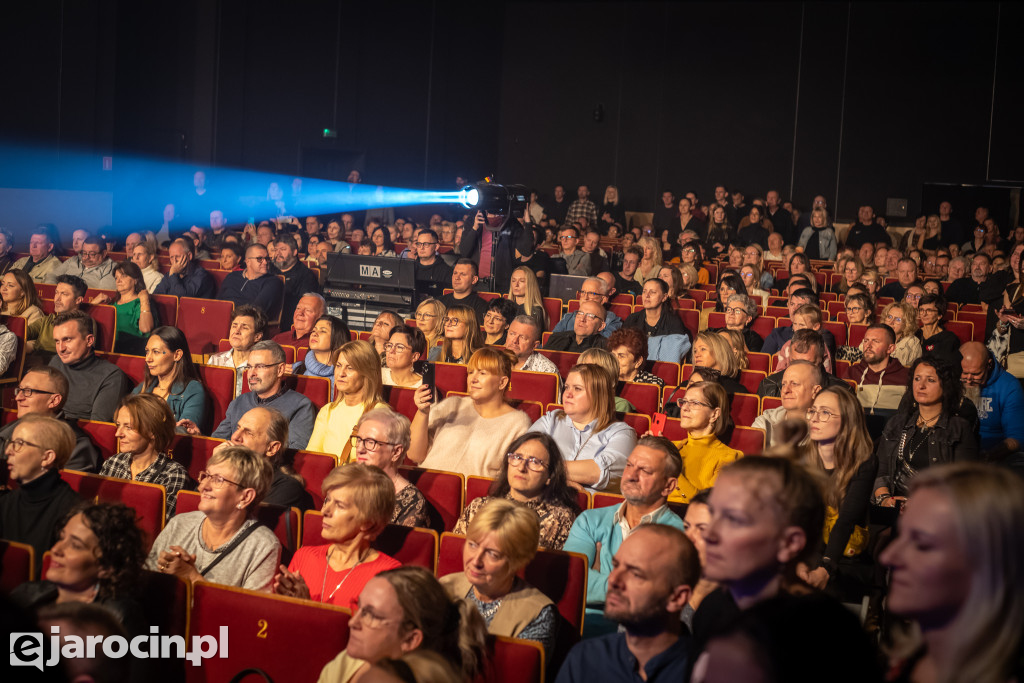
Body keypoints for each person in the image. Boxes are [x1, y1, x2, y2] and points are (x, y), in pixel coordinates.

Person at [880, 463, 1024, 683]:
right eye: (901, 536)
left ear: (988, 563)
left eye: (922, 544)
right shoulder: (905, 662)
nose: (888, 557)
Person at [691, 456, 825, 651]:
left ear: (789, 542)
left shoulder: (822, 633)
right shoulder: (712, 607)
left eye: (733, 519)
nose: (709, 533)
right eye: (713, 514)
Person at [563, 437, 686, 636]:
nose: (631, 475)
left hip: (641, 640)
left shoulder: (678, 536)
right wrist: (636, 585)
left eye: (644, 470)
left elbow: (658, 599)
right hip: (580, 635)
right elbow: (570, 581)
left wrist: (596, 578)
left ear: (669, 486)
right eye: (629, 465)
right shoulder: (590, 520)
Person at [315, 566, 488, 683]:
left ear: (411, 639)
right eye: (359, 608)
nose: (353, 622)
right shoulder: (347, 661)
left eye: (371, 615)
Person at [147, 446, 279, 590]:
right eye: (206, 476)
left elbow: (250, 611)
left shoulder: (263, 546)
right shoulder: (179, 523)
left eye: (218, 480)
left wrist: (192, 577)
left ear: (245, 497)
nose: (203, 486)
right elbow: (142, 585)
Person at [442, 499, 558, 658]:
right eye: (473, 545)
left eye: (492, 554)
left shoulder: (536, 614)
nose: (476, 561)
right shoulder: (444, 587)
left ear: (518, 561)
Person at [274, 464, 401, 605]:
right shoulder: (304, 557)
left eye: (340, 505)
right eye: (328, 500)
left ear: (368, 522)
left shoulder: (389, 576)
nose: (324, 511)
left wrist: (307, 607)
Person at [794, 387, 876, 593]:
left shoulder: (864, 462)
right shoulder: (802, 457)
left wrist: (825, 568)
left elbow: (846, 521)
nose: (814, 418)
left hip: (844, 554)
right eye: (813, 411)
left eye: (825, 412)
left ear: (847, 421)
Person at [10, 502, 146, 626]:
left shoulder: (118, 618)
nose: (56, 549)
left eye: (75, 545)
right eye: (61, 538)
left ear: (106, 567)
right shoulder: (26, 594)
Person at [874, 357, 978, 511]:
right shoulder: (897, 423)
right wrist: (884, 500)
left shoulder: (958, 428)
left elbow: (964, 484)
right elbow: (881, 472)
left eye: (930, 380)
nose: (921, 386)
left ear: (946, 386)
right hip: (894, 508)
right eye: (917, 379)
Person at [409, 347, 531, 478]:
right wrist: (423, 412)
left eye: (482, 373)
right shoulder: (452, 405)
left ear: (502, 382)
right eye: (471, 372)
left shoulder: (517, 423)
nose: (473, 379)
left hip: (475, 496)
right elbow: (414, 455)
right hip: (425, 486)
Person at [455, 432, 581, 550]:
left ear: (550, 476)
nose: (521, 467)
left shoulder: (559, 519)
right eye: (517, 457)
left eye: (534, 462)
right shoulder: (478, 507)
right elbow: (453, 555)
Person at [531, 363, 636, 492]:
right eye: (567, 387)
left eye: (577, 388)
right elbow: (521, 457)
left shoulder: (621, 433)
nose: (568, 394)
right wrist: (556, 479)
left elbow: (599, 472)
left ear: (599, 395)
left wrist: (542, 469)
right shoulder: (551, 419)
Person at [206, 341, 316, 449]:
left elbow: (293, 453)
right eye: (249, 367)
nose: (251, 373)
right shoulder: (239, 401)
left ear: (280, 369)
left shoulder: (300, 406)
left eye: (260, 366)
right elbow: (218, 442)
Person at [0, 414, 80, 564]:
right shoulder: (5, 503)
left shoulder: (73, 512)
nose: (8, 451)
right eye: (10, 443)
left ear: (47, 457)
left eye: (19, 443)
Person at [100, 393, 193, 516]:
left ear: (152, 431)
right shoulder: (112, 463)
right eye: (118, 425)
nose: (118, 433)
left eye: (128, 427)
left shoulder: (172, 475)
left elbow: (159, 526)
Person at [220, 406, 314, 511]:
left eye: (249, 433)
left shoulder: (286, 488)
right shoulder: (222, 470)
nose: (235, 437)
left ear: (272, 448)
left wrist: (222, 472)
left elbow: (240, 523)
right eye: (238, 428)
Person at [306, 339, 387, 460]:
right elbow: (312, 459)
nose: (341, 373)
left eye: (350, 368)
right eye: (338, 366)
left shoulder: (379, 413)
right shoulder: (327, 411)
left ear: (367, 373)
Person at [350, 407, 429, 527]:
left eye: (370, 442)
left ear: (396, 452)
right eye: (359, 440)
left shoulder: (411, 503)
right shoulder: (344, 483)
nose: (360, 449)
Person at [49, 310, 131, 421]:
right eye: (57, 341)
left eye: (67, 339)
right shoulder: (56, 362)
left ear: (89, 340)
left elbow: (98, 426)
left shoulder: (111, 376)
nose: (61, 348)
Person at [670, 382, 742, 503]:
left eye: (694, 403)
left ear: (714, 414)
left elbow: (706, 505)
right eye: (684, 401)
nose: (685, 408)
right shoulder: (671, 447)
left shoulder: (729, 457)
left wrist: (673, 470)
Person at [132, 326, 208, 429]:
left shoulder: (192, 390)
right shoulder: (144, 387)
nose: (148, 359)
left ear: (177, 355)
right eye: (147, 351)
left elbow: (184, 430)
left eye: (156, 352)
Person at [89, 261, 157, 356]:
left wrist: (144, 300)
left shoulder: (140, 302)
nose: (118, 281)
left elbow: (146, 328)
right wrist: (94, 303)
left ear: (135, 280)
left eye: (123, 276)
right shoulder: (111, 303)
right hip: (104, 350)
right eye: (116, 278)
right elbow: (83, 323)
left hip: (130, 352)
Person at [753, 361, 822, 446]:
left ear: (815, 391)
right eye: (783, 384)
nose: (785, 390)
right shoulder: (765, 423)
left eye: (794, 384)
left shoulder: (826, 428)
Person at [622, 277, 691, 362]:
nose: (647, 296)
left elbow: (673, 355)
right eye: (644, 291)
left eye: (652, 292)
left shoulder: (673, 322)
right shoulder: (632, 319)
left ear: (664, 297)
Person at [845, 323, 909, 412]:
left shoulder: (906, 376)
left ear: (890, 348)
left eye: (875, 341)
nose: (868, 346)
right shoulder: (852, 372)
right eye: (866, 340)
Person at [206, 304, 267, 396]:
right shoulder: (215, 361)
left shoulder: (261, 368)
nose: (237, 331)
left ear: (257, 336)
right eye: (234, 326)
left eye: (244, 327)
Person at [25, 274, 87, 360]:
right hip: (34, 364)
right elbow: (22, 332)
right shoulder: (46, 320)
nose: (57, 299)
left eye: (64, 294)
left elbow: (80, 356)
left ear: (78, 300)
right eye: (56, 292)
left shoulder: (85, 324)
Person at [218, 243, 284, 321]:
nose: (265, 262)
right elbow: (217, 303)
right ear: (248, 261)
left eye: (267, 258)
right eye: (260, 259)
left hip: (247, 324)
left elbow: (254, 311)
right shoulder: (232, 276)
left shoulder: (273, 282)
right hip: (222, 318)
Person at [271, 234, 320, 333]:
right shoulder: (268, 270)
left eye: (283, 249)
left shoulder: (305, 275)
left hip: (288, 323)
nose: (278, 253)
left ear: (294, 252)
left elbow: (305, 307)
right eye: (276, 250)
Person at [550, 276, 623, 339]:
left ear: (603, 299)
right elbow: (553, 342)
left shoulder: (612, 321)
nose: (585, 297)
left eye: (592, 293)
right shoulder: (568, 317)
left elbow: (603, 347)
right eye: (583, 292)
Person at [47, 235, 116, 289]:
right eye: (84, 253)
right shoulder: (73, 260)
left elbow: (103, 293)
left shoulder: (111, 268)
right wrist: (54, 290)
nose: (86, 257)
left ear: (104, 253)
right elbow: (52, 276)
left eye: (92, 254)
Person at [691, 330, 747, 395]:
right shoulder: (686, 385)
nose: (696, 355)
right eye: (695, 351)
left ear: (719, 352)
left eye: (703, 349)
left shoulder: (736, 391)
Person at [543, 299, 608, 352]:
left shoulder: (606, 348)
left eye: (590, 316)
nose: (582, 319)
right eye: (580, 313)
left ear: (601, 326)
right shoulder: (556, 338)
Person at [412, 228, 452, 300]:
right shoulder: (410, 268)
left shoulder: (446, 271)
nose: (421, 248)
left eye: (426, 244)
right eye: (419, 244)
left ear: (436, 247)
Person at [881, 301, 923, 367]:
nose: (891, 322)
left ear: (907, 324)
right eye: (889, 317)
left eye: (898, 319)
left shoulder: (912, 343)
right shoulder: (875, 334)